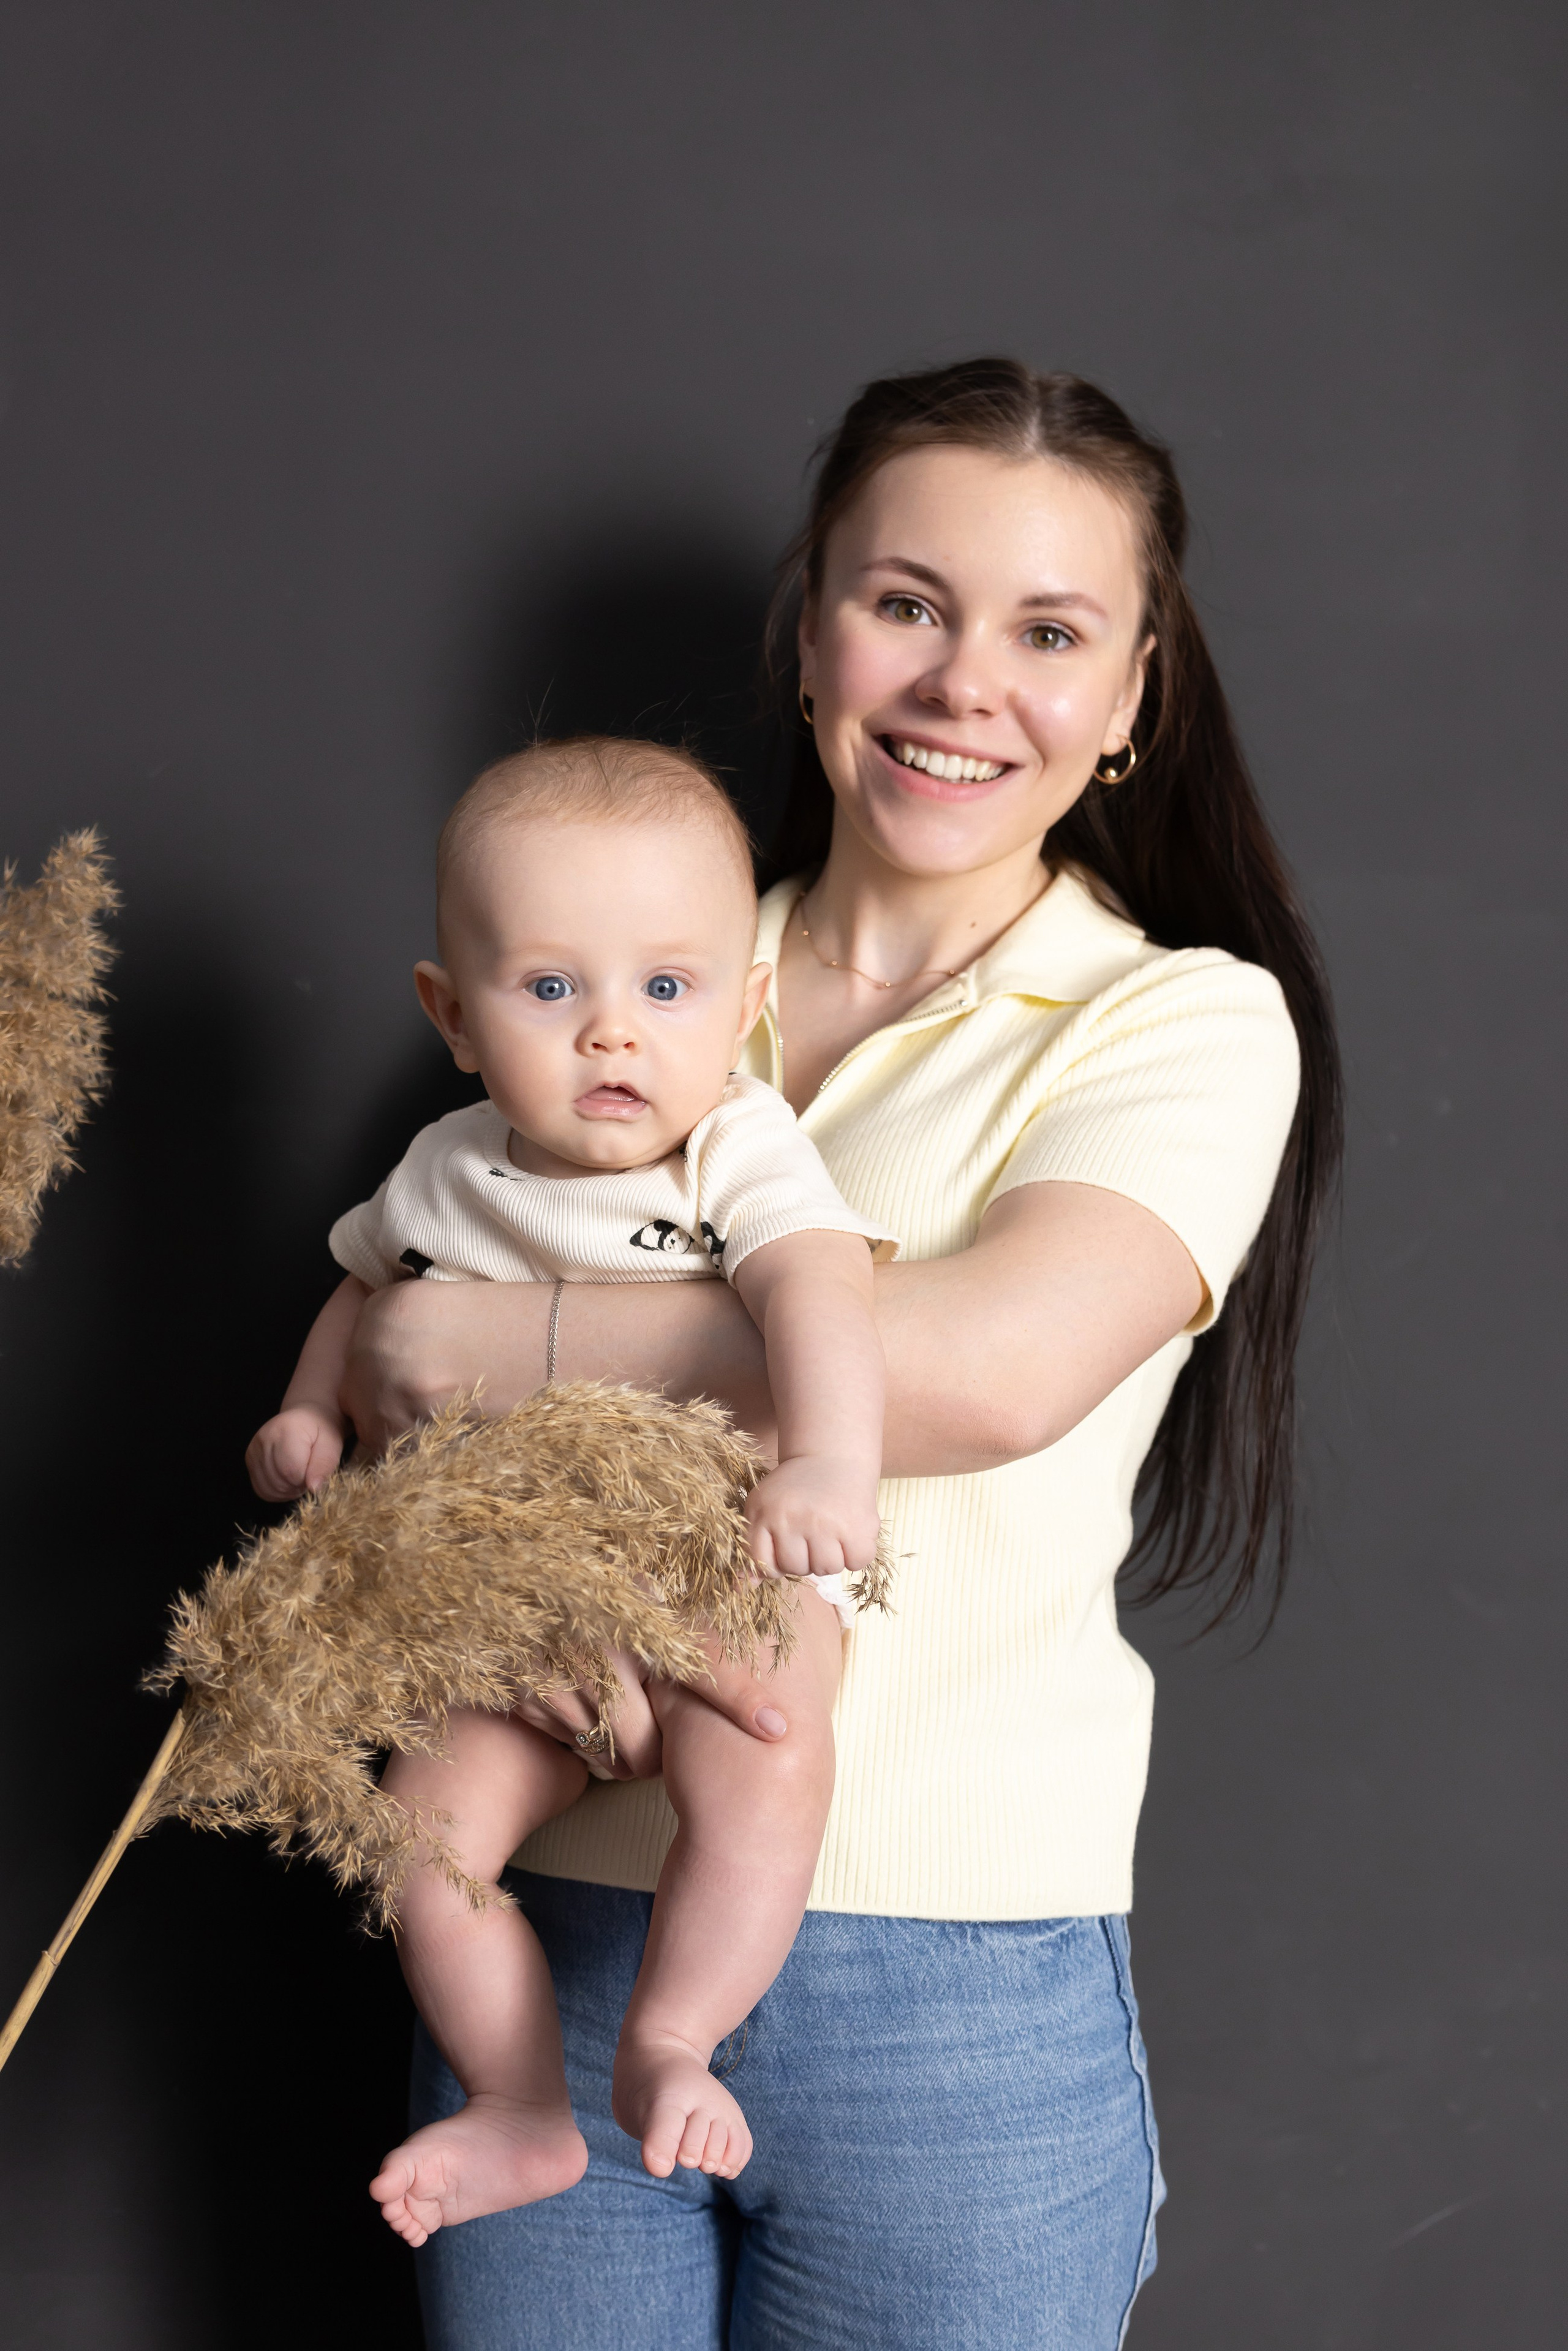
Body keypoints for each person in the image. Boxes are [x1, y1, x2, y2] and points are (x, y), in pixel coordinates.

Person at [340, 360, 1342, 2349]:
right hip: (554, 1942)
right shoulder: (618, 961)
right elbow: (389, 1408)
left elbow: (987, 1366)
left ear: (1134, 693)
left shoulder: (1179, 1021)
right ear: (814, 630)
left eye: (1052, 631)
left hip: (954, 1990)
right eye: (909, 601)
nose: (968, 680)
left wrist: (486, 1332)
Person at [245, 739, 894, 2247]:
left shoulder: (734, 1141)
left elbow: (819, 1296)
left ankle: (672, 2032)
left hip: (709, 1574)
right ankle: (521, 2096)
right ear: (452, 1015)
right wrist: (304, 1411)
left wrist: (827, 1461)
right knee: (417, 1834)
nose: (612, 1033)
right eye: (550, 990)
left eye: (666, 990)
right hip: (508, 1616)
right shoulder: (446, 1166)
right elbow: (363, 1287)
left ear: (741, 1011)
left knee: (770, 1748)